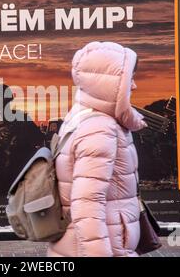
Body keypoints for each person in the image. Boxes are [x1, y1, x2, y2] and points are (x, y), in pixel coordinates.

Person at [48, 41, 147, 257]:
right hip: (104, 247)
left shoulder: (81, 116)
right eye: (128, 78)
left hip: (81, 243)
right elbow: (87, 205)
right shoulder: (100, 128)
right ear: (111, 85)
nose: (134, 86)